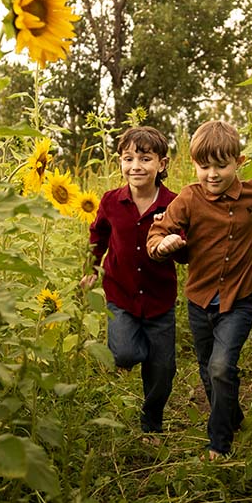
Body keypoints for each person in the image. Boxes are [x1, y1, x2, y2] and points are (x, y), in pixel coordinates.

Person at [147, 120, 252, 458]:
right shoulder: (188, 199)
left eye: (221, 166)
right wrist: (162, 245)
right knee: (208, 368)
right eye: (203, 166)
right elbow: (159, 231)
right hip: (199, 301)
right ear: (194, 164)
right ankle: (233, 415)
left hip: (240, 300)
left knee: (222, 366)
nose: (212, 174)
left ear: (238, 162)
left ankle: (220, 443)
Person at [80, 126, 184, 436]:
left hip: (159, 299)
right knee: (125, 353)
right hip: (120, 293)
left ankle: (151, 423)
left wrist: (176, 245)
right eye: (128, 158)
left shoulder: (174, 204)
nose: (136, 166)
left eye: (145, 158)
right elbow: (98, 235)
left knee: (163, 371)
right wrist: (91, 266)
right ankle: (130, 355)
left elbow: (186, 248)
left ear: (161, 164)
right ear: (120, 163)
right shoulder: (111, 201)